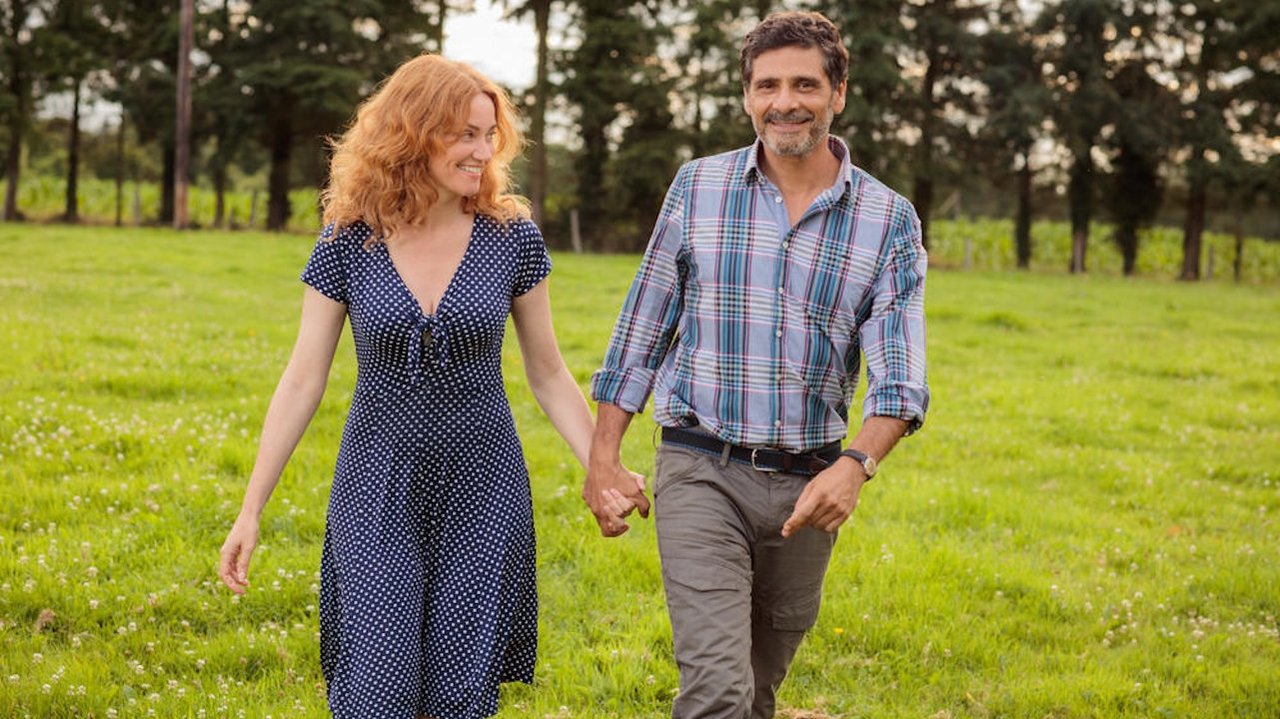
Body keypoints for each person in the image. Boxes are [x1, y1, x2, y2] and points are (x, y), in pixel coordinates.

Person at [218, 54, 611, 719]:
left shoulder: (511, 237)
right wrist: (251, 508)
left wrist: (600, 466)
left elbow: (547, 371)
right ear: (413, 133)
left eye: (488, 134)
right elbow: (303, 377)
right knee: (378, 688)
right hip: (376, 484)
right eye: (464, 134)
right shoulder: (348, 240)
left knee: (459, 694)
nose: (482, 151)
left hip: (483, 486)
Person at [584, 11, 930, 719]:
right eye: (767, 85)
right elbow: (641, 329)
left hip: (809, 488)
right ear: (747, 96)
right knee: (718, 690)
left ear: (838, 93)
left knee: (757, 692)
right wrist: (603, 458)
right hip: (699, 468)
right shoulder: (698, 187)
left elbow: (899, 378)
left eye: (805, 84)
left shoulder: (888, 219)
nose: (784, 102)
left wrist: (855, 466)